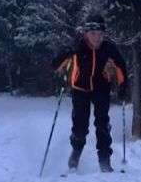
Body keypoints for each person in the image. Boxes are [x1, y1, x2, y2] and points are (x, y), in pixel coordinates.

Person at [51, 14, 129, 172]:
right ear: (86, 33)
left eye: (100, 34)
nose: (97, 38)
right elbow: (56, 65)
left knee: (103, 124)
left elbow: (120, 66)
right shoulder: (78, 46)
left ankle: (105, 162)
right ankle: (76, 154)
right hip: (80, 88)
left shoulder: (108, 47)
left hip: (101, 87)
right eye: (93, 33)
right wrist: (65, 53)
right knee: (80, 126)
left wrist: (123, 86)